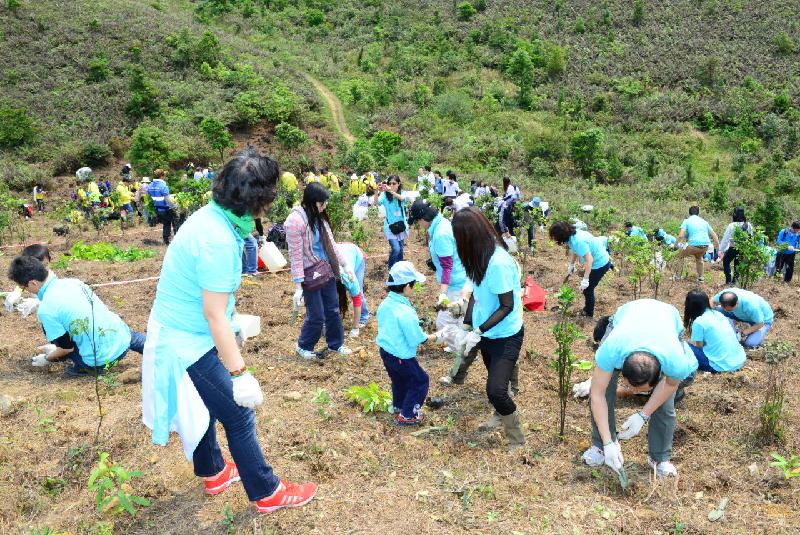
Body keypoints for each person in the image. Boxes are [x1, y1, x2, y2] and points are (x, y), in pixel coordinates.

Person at [141, 148, 318, 514]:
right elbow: (214, 314)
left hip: (181, 330)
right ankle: (267, 492)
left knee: (205, 401)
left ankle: (215, 471)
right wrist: (240, 372)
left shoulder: (214, 218)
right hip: (186, 340)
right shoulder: (218, 239)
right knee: (237, 413)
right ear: (259, 198)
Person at [583, 299, 698, 478]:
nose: (635, 393)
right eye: (632, 388)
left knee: (665, 404)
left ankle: (659, 458)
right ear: (621, 370)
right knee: (605, 391)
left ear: (660, 372)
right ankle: (601, 446)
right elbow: (597, 394)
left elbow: (669, 385)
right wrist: (608, 442)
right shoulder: (611, 350)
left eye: (643, 390)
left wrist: (643, 415)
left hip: (667, 318)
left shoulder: (675, 361)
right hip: (627, 317)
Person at [452, 208, 525, 450]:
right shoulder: (476, 257)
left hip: (506, 334)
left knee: (495, 390)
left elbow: (507, 305)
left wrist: (478, 330)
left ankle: (517, 438)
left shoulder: (499, 263)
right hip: (486, 332)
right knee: (495, 381)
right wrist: (466, 324)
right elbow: (475, 295)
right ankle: (499, 414)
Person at [7, 255, 145, 376]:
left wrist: (48, 358)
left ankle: (82, 368)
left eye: (25, 288)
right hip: (123, 337)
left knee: (69, 364)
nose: (27, 291)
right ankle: (151, 345)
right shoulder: (74, 282)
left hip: (101, 359)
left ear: (33, 283)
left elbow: (67, 348)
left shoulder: (46, 310)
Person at [285, 182, 355, 360]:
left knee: (332, 309)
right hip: (309, 274)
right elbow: (296, 255)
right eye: (321, 203)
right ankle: (303, 346)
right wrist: (298, 285)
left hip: (326, 270)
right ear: (311, 201)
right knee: (316, 314)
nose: (324, 207)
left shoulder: (319, 218)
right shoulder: (295, 222)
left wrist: (346, 266)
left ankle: (335, 344)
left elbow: (331, 244)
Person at [376, 261, 441, 425]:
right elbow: (418, 339)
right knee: (420, 381)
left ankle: (399, 405)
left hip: (386, 352)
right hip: (401, 356)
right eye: (413, 284)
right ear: (406, 287)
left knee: (398, 380)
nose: (414, 287)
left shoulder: (385, 304)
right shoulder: (405, 312)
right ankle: (408, 415)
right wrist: (439, 336)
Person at [407, 199, 472, 347]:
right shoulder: (441, 224)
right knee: (459, 317)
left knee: (443, 322)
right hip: (459, 277)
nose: (418, 225)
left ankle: (463, 350)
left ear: (424, 218)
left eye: (417, 221)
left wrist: (443, 293)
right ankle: (464, 346)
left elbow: (447, 266)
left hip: (455, 282)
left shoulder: (440, 233)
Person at [549, 221, 612, 318]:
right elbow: (575, 250)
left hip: (600, 264)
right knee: (587, 289)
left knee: (588, 289)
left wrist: (585, 279)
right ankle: (587, 310)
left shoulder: (578, 241)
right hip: (598, 260)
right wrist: (572, 264)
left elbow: (589, 261)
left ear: (560, 235)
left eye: (555, 237)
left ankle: (588, 314)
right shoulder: (572, 235)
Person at [683, 290, 745, 373]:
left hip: (719, 366)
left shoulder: (699, 322)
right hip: (739, 361)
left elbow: (699, 348)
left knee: (682, 344)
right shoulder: (718, 314)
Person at [373, 176, 409, 269]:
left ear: (399, 184)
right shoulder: (385, 195)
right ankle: (391, 268)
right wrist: (376, 191)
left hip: (401, 225)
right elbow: (376, 203)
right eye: (389, 183)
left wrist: (391, 191)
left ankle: (400, 268)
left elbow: (402, 199)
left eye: (394, 183)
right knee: (396, 249)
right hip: (390, 226)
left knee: (400, 250)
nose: (391, 185)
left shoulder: (402, 193)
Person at [676, 206, 719, 282]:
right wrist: (717, 248)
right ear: (698, 213)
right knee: (699, 258)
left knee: (680, 255)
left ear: (689, 213)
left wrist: (677, 244)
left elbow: (681, 235)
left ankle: (677, 277)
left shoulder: (687, 221)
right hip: (705, 246)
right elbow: (714, 236)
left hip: (693, 245)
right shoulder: (704, 222)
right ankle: (700, 278)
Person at [336, 242, 369, 338]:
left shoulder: (350, 279)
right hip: (339, 251)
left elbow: (357, 300)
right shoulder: (325, 279)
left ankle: (363, 317)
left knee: (359, 292)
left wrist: (355, 328)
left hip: (356, 254)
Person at [718, 207, 754, 284]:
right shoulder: (748, 225)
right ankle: (735, 281)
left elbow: (725, 239)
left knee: (726, 261)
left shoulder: (732, 225)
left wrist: (721, 250)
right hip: (744, 249)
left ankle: (728, 281)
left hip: (733, 247)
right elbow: (751, 237)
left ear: (734, 214)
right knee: (737, 264)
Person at [148, 169, 178, 245]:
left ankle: (165, 240)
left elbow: (151, 196)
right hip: (165, 209)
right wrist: (175, 206)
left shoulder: (150, 185)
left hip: (157, 208)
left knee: (166, 223)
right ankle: (173, 240)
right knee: (173, 222)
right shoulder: (163, 186)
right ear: (162, 176)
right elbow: (167, 200)